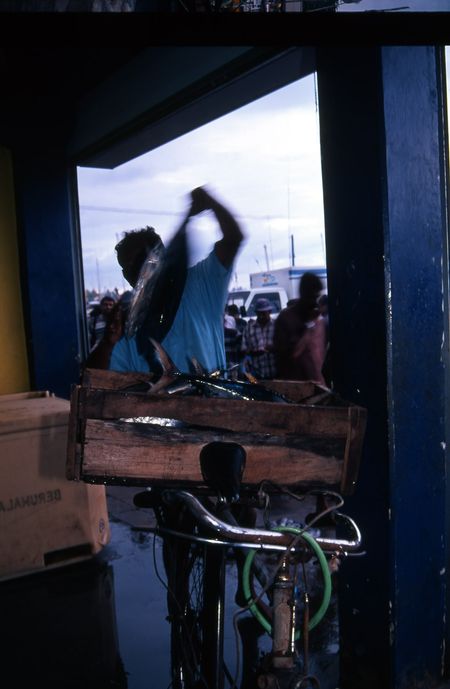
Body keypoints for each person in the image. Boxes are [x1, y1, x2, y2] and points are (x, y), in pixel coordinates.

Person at [85, 187, 244, 375]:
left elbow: (234, 238)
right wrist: (108, 341)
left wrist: (210, 202)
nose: (133, 271)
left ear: (160, 255)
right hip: (160, 405)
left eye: (139, 261)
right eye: (126, 267)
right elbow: (92, 376)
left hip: (215, 403)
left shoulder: (202, 281)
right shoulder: (130, 322)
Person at [273, 271, 326, 384]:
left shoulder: (318, 320)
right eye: (312, 296)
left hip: (318, 385)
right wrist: (309, 327)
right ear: (303, 293)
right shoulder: (286, 319)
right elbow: (288, 356)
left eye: (317, 296)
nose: (314, 301)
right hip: (295, 387)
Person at [241, 298, 276, 380]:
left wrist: (273, 348)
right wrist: (254, 352)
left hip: (274, 373)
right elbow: (243, 350)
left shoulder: (276, 326)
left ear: (270, 312)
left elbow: (284, 347)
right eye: (258, 313)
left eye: (263, 314)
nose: (261, 316)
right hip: (256, 374)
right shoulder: (249, 328)